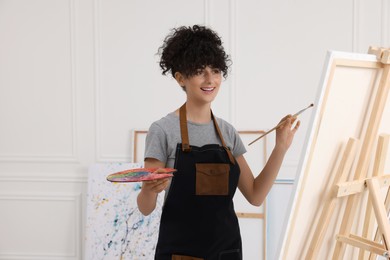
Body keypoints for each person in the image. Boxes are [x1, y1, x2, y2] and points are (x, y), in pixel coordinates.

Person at [136, 25, 300, 260]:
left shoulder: (227, 133)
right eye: (199, 71)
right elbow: (145, 207)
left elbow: (255, 195)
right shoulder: (163, 130)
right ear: (180, 77)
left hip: (227, 252)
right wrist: (150, 191)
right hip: (181, 254)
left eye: (215, 70)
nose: (210, 79)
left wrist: (281, 148)